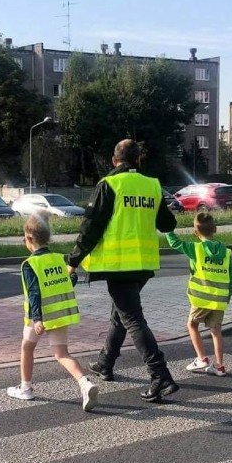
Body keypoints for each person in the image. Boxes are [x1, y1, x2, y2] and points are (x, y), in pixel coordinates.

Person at [68, 139, 180, 403]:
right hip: (143, 264)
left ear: (113, 159)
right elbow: (167, 223)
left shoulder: (109, 184)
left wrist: (73, 260)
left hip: (118, 264)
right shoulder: (151, 185)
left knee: (131, 317)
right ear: (138, 160)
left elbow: (91, 227)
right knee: (121, 313)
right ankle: (105, 362)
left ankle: (160, 374)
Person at [7, 210, 99, 412]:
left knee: (27, 348)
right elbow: (69, 281)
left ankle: (26, 387)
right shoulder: (60, 259)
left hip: (37, 317)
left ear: (29, 238)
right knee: (61, 353)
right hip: (60, 315)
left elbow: (34, 293)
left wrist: (37, 318)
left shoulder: (29, 264)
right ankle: (85, 383)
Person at [165, 212, 232, 376]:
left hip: (201, 298)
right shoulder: (226, 252)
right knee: (216, 331)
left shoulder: (195, 249)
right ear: (215, 229)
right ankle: (219, 366)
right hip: (220, 299)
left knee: (192, 325)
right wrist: (228, 295)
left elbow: (175, 243)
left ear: (195, 232)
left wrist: (168, 229)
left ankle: (202, 358)